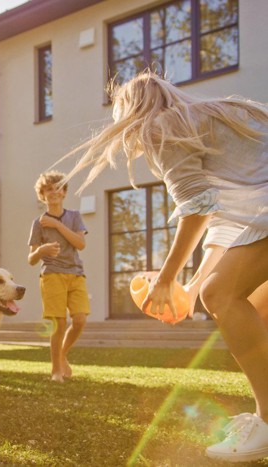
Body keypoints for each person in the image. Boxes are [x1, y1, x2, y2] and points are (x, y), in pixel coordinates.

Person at [59, 70, 268, 462]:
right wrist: (188, 289)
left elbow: (196, 207)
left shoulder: (163, 126)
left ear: (129, 113)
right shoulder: (209, 119)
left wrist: (167, 280)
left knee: (221, 294)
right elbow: (221, 226)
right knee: (251, 304)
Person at [27, 171, 89, 383]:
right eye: (48, 190)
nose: (53, 192)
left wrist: (57, 225)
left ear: (64, 192)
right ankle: (55, 371)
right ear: (42, 195)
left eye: (57, 188)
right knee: (59, 324)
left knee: (79, 320)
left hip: (76, 274)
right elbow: (31, 259)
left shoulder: (74, 217)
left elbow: (81, 244)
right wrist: (41, 250)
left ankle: (62, 355)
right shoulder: (38, 223)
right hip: (52, 275)